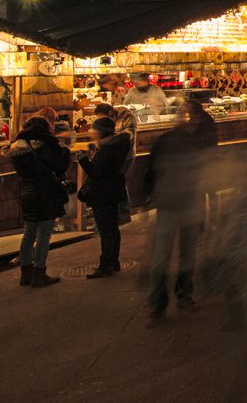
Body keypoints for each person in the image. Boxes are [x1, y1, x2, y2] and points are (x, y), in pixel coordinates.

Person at [143, 101, 215, 319]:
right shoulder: (192, 143)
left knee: (166, 256)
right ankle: (177, 297)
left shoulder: (166, 141)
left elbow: (150, 172)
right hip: (179, 204)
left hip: (176, 204)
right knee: (182, 255)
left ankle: (160, 303)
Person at [4, 116, 70, 287]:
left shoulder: (19, 147)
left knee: (29, 232)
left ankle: (25, 272)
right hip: (45, 192)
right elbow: (60, 166)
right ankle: (39, 272)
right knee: (44, 234)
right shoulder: (44, 144)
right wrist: (65, 151)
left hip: (27, 192)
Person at [78, 117, 131, 278]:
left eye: (94, 128)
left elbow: (97, 174)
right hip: (113, 190)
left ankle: (106, 264)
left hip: (103, 193)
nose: (91, 131)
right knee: (112, 228)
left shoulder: (107, 149)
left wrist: (83, 160)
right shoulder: (117, 145)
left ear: (100, 131)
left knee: (106, 230)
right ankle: (113, 261)